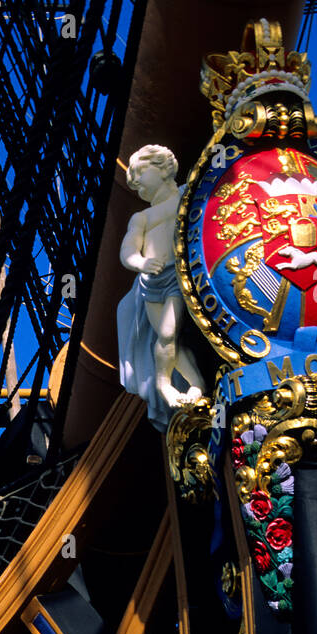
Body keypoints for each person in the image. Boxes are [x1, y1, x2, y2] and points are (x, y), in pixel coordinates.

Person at [116, 144, 204, 431]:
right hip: (152, 283)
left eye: (141, 172)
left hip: (181, 277)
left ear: (165, 168)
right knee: (168, 340)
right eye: (132, 180)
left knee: (168, 332)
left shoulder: (186, 196)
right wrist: (141, 263)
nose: (136, 181)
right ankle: (170, 383)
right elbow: (128, 251)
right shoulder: (142, 218)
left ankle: (187, 384)